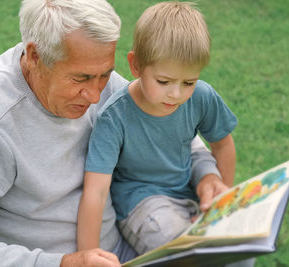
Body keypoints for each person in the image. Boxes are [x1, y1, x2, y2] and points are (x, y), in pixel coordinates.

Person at [0, 0, 229, 266]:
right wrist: (63, 264)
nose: (97, 96)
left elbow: (167, 128)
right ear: (34, 56)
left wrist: (206, 174)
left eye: (104, 75)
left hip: (125, 246)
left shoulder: (95, 72)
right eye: (81, 78)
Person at [77, 1, 237, 255]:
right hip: (141, 205)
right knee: (181, 251)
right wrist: (87, 254)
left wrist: (220, 202)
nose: (176, 94)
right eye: (164, 81)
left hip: (189, 192)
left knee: (235, 250)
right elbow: (95, 191)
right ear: (136, 65)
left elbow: (223, 144)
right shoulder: (114, 117)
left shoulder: (202, 96)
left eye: (189, 82)